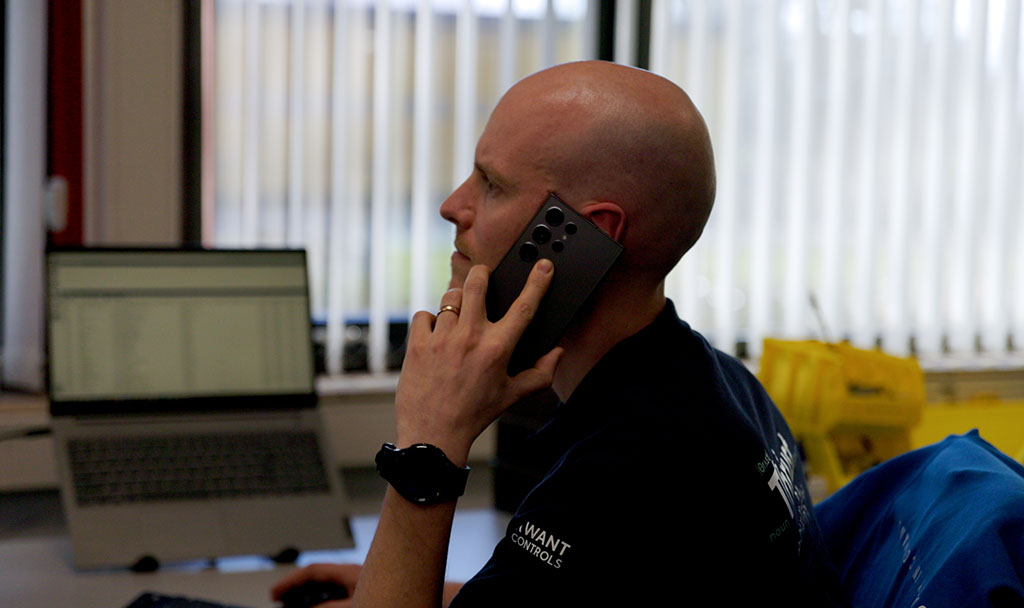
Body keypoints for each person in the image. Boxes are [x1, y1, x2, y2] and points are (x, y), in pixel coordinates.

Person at [273, 60, 846, 607]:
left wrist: (429, 444)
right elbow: (597, 587)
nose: (452, 206)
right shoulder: (719, 385)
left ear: (581, 234)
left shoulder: (635, 470)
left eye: (491, 185)